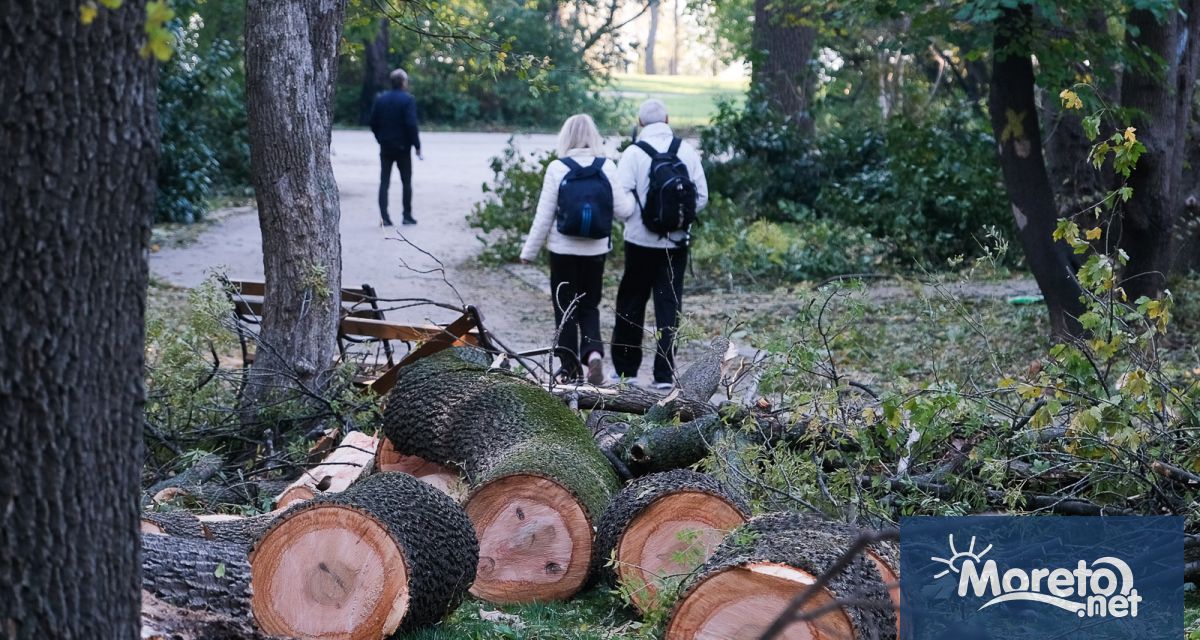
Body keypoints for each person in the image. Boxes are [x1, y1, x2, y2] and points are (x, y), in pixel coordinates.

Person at [520, 114, 631, 385]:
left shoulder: (557, 168)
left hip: (563, 250)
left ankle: (569, 369)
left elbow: (544, 217)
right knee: (589, 306)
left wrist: (528, 252)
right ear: (594, 137)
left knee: (565, 308)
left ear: (565, 137)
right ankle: (593, 354)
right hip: (595, 251)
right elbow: (624, 211)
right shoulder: (607, 167)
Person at [610, 99, 708, 389]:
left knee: (631, 302)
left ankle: (625, 372)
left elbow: (620, 198)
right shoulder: (686, 150)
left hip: (639, 241)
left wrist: (634, 217)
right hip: (676, 243)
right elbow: (701, 196)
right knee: (669, 305)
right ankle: (663, 375)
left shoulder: (633, 152)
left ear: (640, 123)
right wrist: (679, 221)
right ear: (666, 118)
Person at [369, 68, 422, 226]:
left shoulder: (381, 99)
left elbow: (373, 123)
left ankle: (384, 217)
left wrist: (380, 139)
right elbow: (411, 124)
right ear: (404, 82)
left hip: (385, 147)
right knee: (406, 182)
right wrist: (417, 145)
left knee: (384, 182)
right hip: (403, 148)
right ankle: (407, 215)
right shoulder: (408, 100)